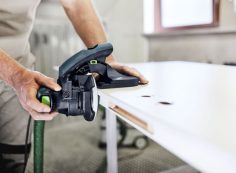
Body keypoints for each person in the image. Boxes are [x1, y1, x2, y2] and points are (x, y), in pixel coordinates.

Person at [0, 0, 148, 172]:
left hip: (19, 66)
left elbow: (77, 4)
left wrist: (106, 62)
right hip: (17, 75)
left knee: (14, 160)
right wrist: (15, 75)